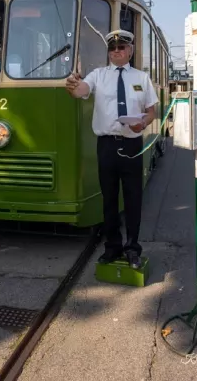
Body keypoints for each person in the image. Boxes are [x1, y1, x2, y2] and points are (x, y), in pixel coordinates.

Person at [65, 30, 158, 268]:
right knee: (109, 199)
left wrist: (144, 123)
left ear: (131, 51)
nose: (117, 52)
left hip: (132, 144)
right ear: (109, 52)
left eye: (121, 47)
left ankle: (133, 248)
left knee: (133, 198)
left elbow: (151, 111)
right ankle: (113, 247)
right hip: (106, 145)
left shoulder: (142, 78)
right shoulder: (98, 75)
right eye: (112, 48)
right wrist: (73, 85)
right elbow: (80, 91)